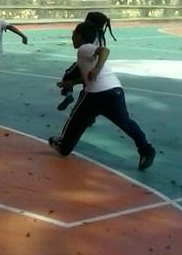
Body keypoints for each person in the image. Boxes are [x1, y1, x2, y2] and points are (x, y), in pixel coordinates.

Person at [49, 20, 156, 170]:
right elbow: (89, 75)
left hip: (94, 95)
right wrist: (72, 83)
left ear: (79, 36)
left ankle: (63, 145)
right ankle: (147, 150)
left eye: (73, 34)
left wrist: (97, 68)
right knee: (126, 123)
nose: (72, 37)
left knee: (75, 121)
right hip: (114, 90)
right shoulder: (86, 52)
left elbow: (104, 50)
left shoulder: (84, 48)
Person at [57, 11, 115, 111]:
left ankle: (69, 96)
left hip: (87, 64)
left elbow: (98, 50)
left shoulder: (90, 36)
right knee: (87, 89)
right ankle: (87, 114)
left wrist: (96, 68)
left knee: (69, 76)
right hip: (92, 65)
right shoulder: (100, 36)